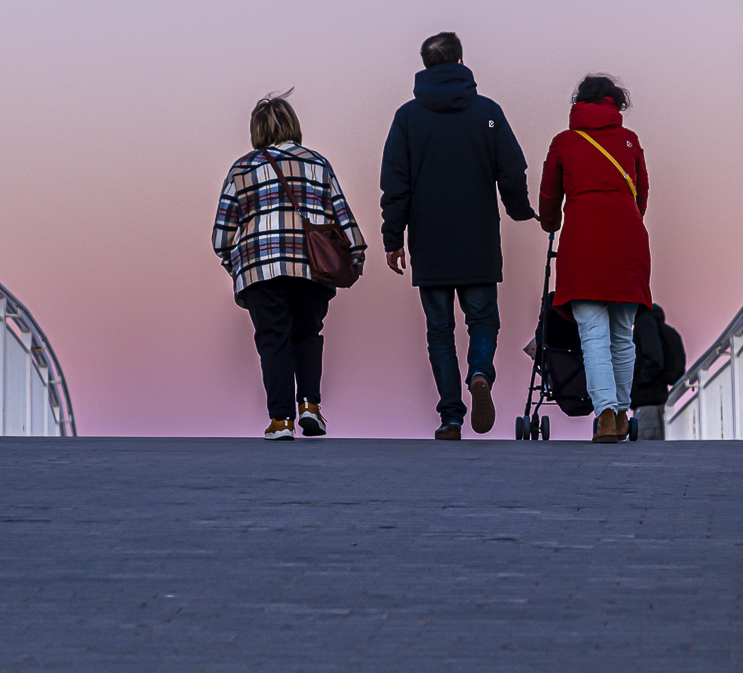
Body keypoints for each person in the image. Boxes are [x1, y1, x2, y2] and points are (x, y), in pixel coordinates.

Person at [380, 32, 536, 439]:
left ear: (425, 65)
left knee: (439, 331)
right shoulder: (486, 112)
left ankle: (451, 416)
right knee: (483, 320)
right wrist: (520, 211)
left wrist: (392, 238)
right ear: (461, 60)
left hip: (429, 242)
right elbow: (511, 168)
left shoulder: (408, 118)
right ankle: (480, 372)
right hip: (478, 238)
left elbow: (395, 184)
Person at [213, 92, 368, 440]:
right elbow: (342, 215)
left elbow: (221, 235)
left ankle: (281, 420)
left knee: (273, 339)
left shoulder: (242, 169)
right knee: (307, 334)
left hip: (261, 268)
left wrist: (236, 266)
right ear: (293, 125)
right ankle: (310, 407)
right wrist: (355, 255)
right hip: (312, 267)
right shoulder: (317, 164)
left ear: (257, 130)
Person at [537, 74, 652, 443]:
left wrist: (551, 222)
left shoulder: (564, 143)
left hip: (583, 246)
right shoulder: (630, 142)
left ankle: (604, 414)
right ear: (614, 104)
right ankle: (620, 412)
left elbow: (549, 200)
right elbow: (642, 197)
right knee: (623, 335)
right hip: (627, 246)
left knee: (592, 336)